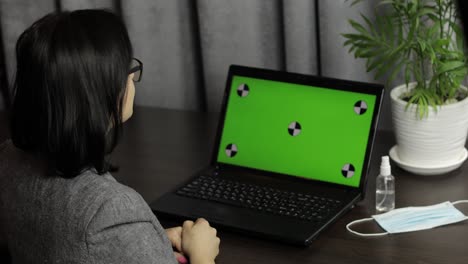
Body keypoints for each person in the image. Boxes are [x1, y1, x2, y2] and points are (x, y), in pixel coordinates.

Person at [0, 9, 220, 264]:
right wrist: (203, 254)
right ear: (98, 92)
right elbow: (95, 229)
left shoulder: (7, 161)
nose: (130, 78)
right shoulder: (111, 210)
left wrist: (146, 239)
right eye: (123, 69)